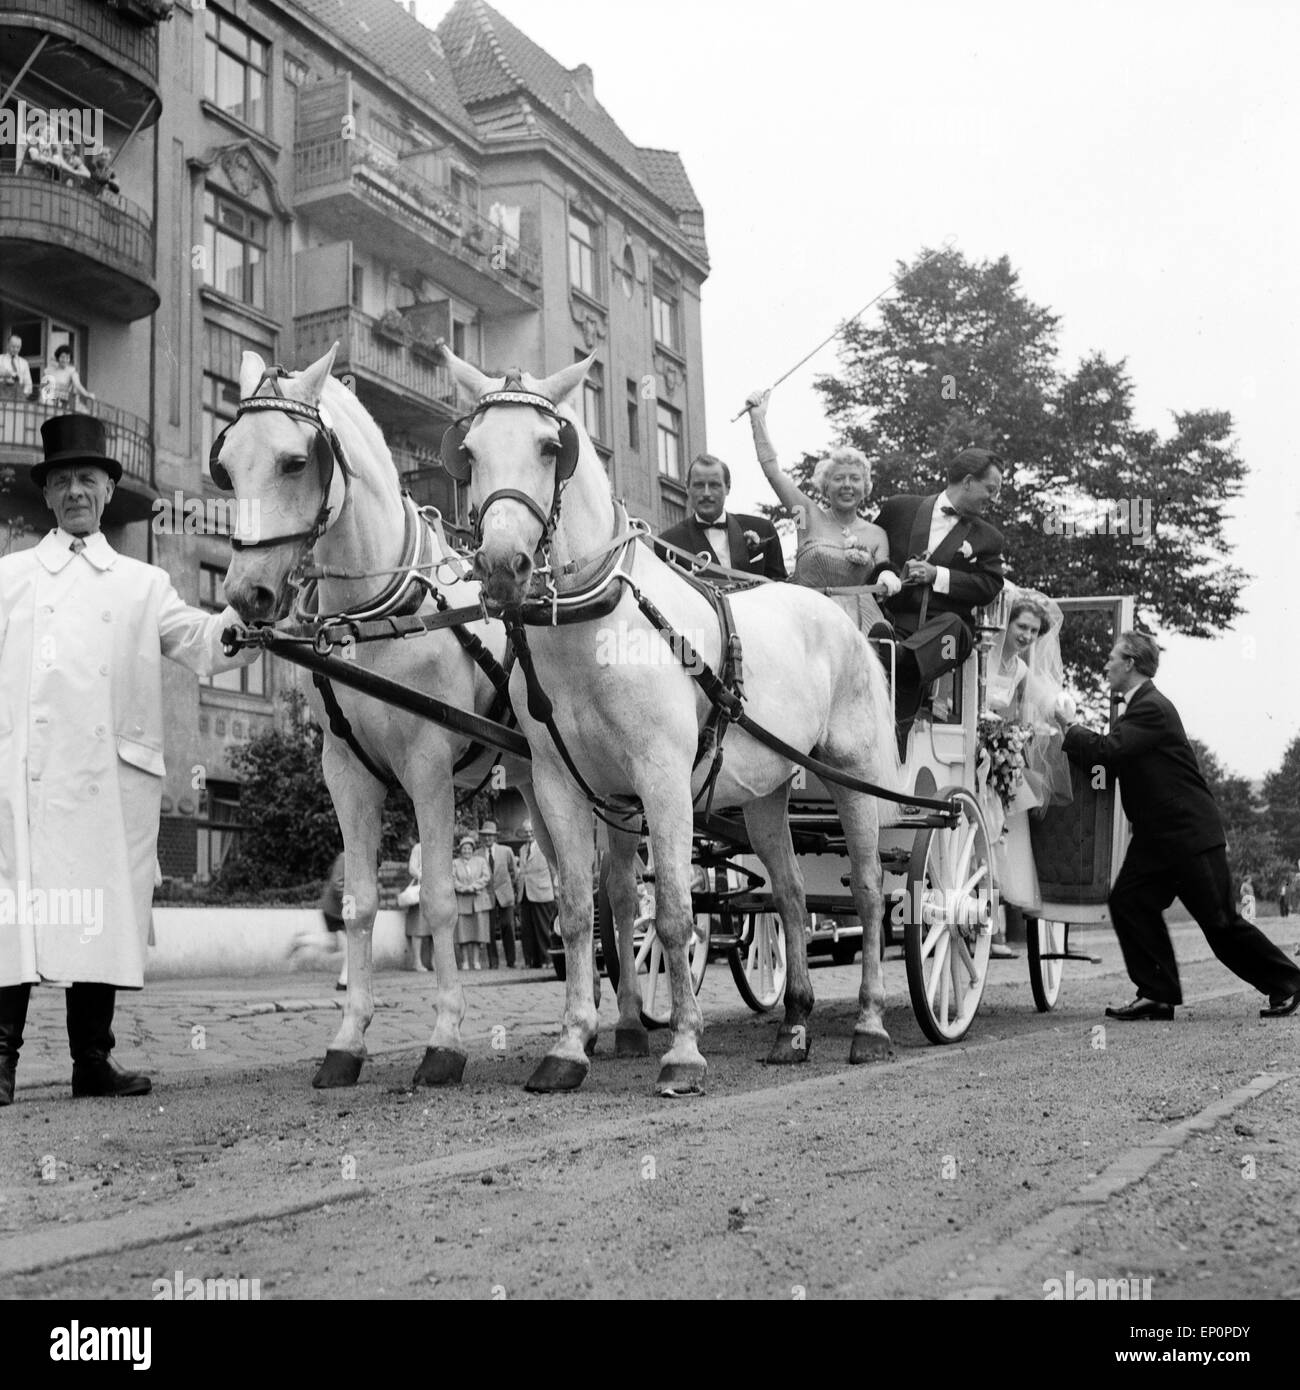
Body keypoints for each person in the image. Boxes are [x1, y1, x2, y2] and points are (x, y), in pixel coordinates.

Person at [0, 415, 260, 1105]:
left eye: (88, 479)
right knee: (12, 917)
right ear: (48, 496)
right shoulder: (11, 577)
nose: (76, 491)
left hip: (107, 782)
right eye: (63, 481)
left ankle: (93, 1062)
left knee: (99, 918)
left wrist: (254, 615)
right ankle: (0, 1062)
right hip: (25, 779)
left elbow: (205, 643)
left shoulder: (143, 586)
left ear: (108, 492)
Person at [1059, 631, 1300, 1021]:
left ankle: (1289, 983)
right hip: (1157, 839)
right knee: (1129, 903)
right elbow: (1107, 761)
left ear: (1130, 664)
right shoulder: (1139, 709)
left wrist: (1070, 728)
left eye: (1111, 658)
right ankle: (1157, 993)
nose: (1105, 664)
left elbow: (1108, 752)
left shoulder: (1151, 707)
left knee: (1220, 924)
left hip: (1188, 836)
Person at [874, 448, 1006, 748]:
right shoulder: (899, 508)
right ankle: (895, 654)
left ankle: (899, 657)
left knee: (955, 626)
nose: (994, 499)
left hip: (944, 637)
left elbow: (990, 585)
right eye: (991, 489)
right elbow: (875, 552)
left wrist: (938, 576)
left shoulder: (990, 538)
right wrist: (887, 573)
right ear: (969, 481)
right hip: (894, 622)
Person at [745, 388, 901, 635]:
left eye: (855, 479)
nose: (847, 485)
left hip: (860, 629)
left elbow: (882, 580)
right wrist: (758, 419)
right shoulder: (805, 516)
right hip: (807, 623)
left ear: (865, 487)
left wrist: (888, 579)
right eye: (839, 478)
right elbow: (772, 472)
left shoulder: (877, 534)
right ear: (826, 486)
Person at [980, 589, 1074, 957]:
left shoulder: (1019, 669)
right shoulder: (981, 654)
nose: (1027, 636)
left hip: (996, 755)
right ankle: (989, 926)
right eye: (1022, 626)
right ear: (1007, 623)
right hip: (970, 750)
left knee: (1005, 829)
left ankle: (995, 927)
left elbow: (1041, 699)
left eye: (1034, 632)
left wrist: (1061, 709)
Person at [658, 453, 787, 579]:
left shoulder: (763, 529)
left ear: (728, 487)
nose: (706, 493)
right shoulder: (668, 544)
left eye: (714, 485)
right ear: (687, 487)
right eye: (699, 485)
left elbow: (781, 590)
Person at [516, 822, 557, 969]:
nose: (528, 834)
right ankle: (532, 961)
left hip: (542, 892)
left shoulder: (544, 846)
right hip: (525, 894)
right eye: (526, 831)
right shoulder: (522, 849)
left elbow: (553, 868)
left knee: (543, 927)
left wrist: (556, 889)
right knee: (527, 929)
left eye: (531, 831)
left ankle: (548, 959)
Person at [480, 820, 519, 969]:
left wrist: (510, 888)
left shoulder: (506, 851)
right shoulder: (477, 854)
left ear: (495, 837)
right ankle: (493, 962)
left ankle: (511, 961)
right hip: (486, 895)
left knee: (507, 925)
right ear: (482, 837)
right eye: (485, 836)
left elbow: (513, 872)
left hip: (505, 893)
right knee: (488, 928)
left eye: (491, 836)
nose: (488, 839)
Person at [451, 836, 491, 971]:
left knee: (477, 932)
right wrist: (463, 888)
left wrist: (473, 887)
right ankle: (465, 962)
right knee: (463, 933)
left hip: (478, 901)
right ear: (460, 850)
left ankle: (476, 961)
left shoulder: (480, 861)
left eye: (469, 848)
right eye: (464, 848)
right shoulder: (455, 863)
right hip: (462, 902)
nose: (467, 851)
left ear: (473, 850)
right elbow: (451, 878)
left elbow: (486, 877)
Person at [398, 841, 431, 972]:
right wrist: (423, 876)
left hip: (436, 890)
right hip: (421, 889)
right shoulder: (418, 847)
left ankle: (434, 961)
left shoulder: (440, 845)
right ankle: (417, 962)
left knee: (435, 927)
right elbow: (412, 868)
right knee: (419, 926)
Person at [39, 345, 95, 412]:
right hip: (50, 403)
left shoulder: (72, 371)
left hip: (64, 403)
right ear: (58, 357)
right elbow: (44, 389)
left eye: (67, 358)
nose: (65, 360)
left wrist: (87, 394)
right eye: (62, 357)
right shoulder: (49, 371)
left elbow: (77, 385)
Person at [0, 335, 33, 400]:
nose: (15, 349)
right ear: (7, 345)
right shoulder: (0, 359)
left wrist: (23, 394)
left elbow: (28, 383)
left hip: (19, 398)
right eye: (13, 346)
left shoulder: (24, 363)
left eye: (18, 347)